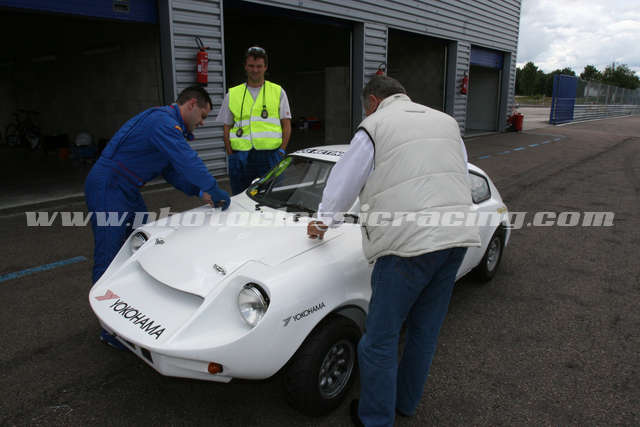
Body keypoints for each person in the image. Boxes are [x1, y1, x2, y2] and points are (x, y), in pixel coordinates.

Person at [306, 75, 481, 427]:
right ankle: (405, 403)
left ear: (372, 102)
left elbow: (343, 183)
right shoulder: (446, 123)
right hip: (457, 238)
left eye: (365, 108)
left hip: (407, 246)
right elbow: (458, 174)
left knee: (379, 341)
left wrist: (323, 222)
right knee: (424, 331)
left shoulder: (374, 127)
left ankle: (375, 419)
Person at [85, 86, 230, 286]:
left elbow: (171, 171)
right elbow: (187, 160)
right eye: (202, 116)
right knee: (109, 252)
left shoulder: (167, 125)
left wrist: (200, 191)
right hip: (109, 186)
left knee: (143, 240)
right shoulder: (163, 123)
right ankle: (101, 299)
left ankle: (131, 289)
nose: (202, 122)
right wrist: (213, 187)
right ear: (192, 105)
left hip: (127, 188)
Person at [216, 46, 292, 195]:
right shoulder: (232, 94)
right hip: (240, 156)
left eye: (259, 66)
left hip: (270, 156)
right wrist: (231, 154)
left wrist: (281, 151)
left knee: (271, 197)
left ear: (265, 67)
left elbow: (286, 125)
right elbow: (226, 127)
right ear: (245, 67)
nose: (255, 70)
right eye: (251, 66)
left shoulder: (278, 91)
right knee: (240, 197)